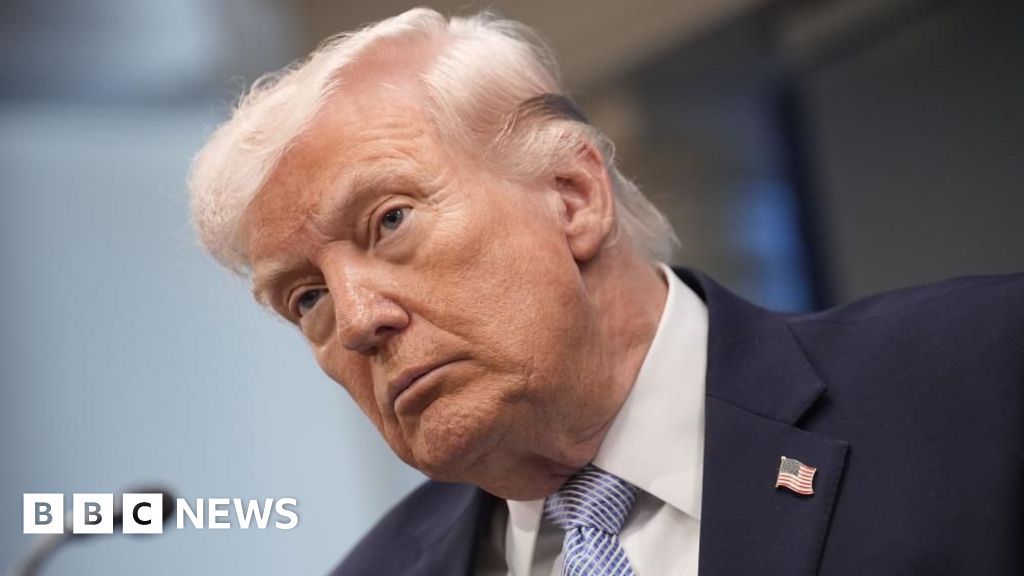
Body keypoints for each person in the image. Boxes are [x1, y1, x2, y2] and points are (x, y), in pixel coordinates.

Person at [188, 8, 1023, 575]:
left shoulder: (983, 376)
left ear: (572, 196)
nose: (357, 321)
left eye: (391, 220)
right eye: (306, 299)